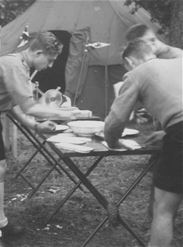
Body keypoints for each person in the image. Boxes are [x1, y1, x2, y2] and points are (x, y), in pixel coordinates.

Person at [0, 31, 76, 247]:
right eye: (49, 60)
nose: (49, 66)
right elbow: (30, 107)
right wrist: (67, 114)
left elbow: (12, 103)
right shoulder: (15, 66)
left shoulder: (20, 65)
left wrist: (35, 125)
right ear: (38, 52)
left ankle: (0, 223)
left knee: (0, 169)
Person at [104, 40, 183, 247]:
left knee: (164, 208)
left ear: (130, 61)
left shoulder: (137, 73)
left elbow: (116, 121)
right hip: (175, 128)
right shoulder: (179, 61)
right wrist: (167, 131)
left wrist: (112, 142)